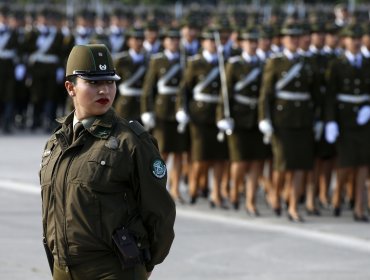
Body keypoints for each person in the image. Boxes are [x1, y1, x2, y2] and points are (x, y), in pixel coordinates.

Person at [40, 44, 176, 279]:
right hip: (63, 269)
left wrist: (144, 265)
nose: (104, 90)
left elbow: (159, 213)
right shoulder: (56, 142)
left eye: (109, 81)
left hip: (112, 269)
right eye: (93, 83)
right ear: (70, 87)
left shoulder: (130, 141)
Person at [259, 22, 319, 222]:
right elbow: (265, 95)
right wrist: (264, 119)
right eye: (290, 37)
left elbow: (314, 93)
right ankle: (276, 195)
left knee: (300, 165)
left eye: (297, 37)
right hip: (281, 121)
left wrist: (318, 120)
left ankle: (293, 205)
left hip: (302, 121)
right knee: (282, 164)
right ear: (283, 40)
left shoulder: (307, 62)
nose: (294, 40)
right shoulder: (274, 63)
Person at [325, 23, 370, 222]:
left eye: (359, 38)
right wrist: (330, 122)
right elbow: (330, 95)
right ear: (345, 41)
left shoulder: (368, 63)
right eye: (352, 38)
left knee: (362, 164)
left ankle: (359, 206)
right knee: (345, 164)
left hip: (364, 119)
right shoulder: (337, 64)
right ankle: (337, 195)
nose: (356, 42)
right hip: (344, 120)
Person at [141, 27, 188, 203]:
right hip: (162, 111)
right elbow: (148, 88)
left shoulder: (185, 61)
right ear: (165, 42)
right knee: (162, 153)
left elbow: (186, 88)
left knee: (179, 153)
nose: (174, 42)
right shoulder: (157, 61)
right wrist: (147, 110)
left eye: (177, 39)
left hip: (179, 112)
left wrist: (185, 109)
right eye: (170, 39)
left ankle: (175, 189)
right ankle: (159, 187)